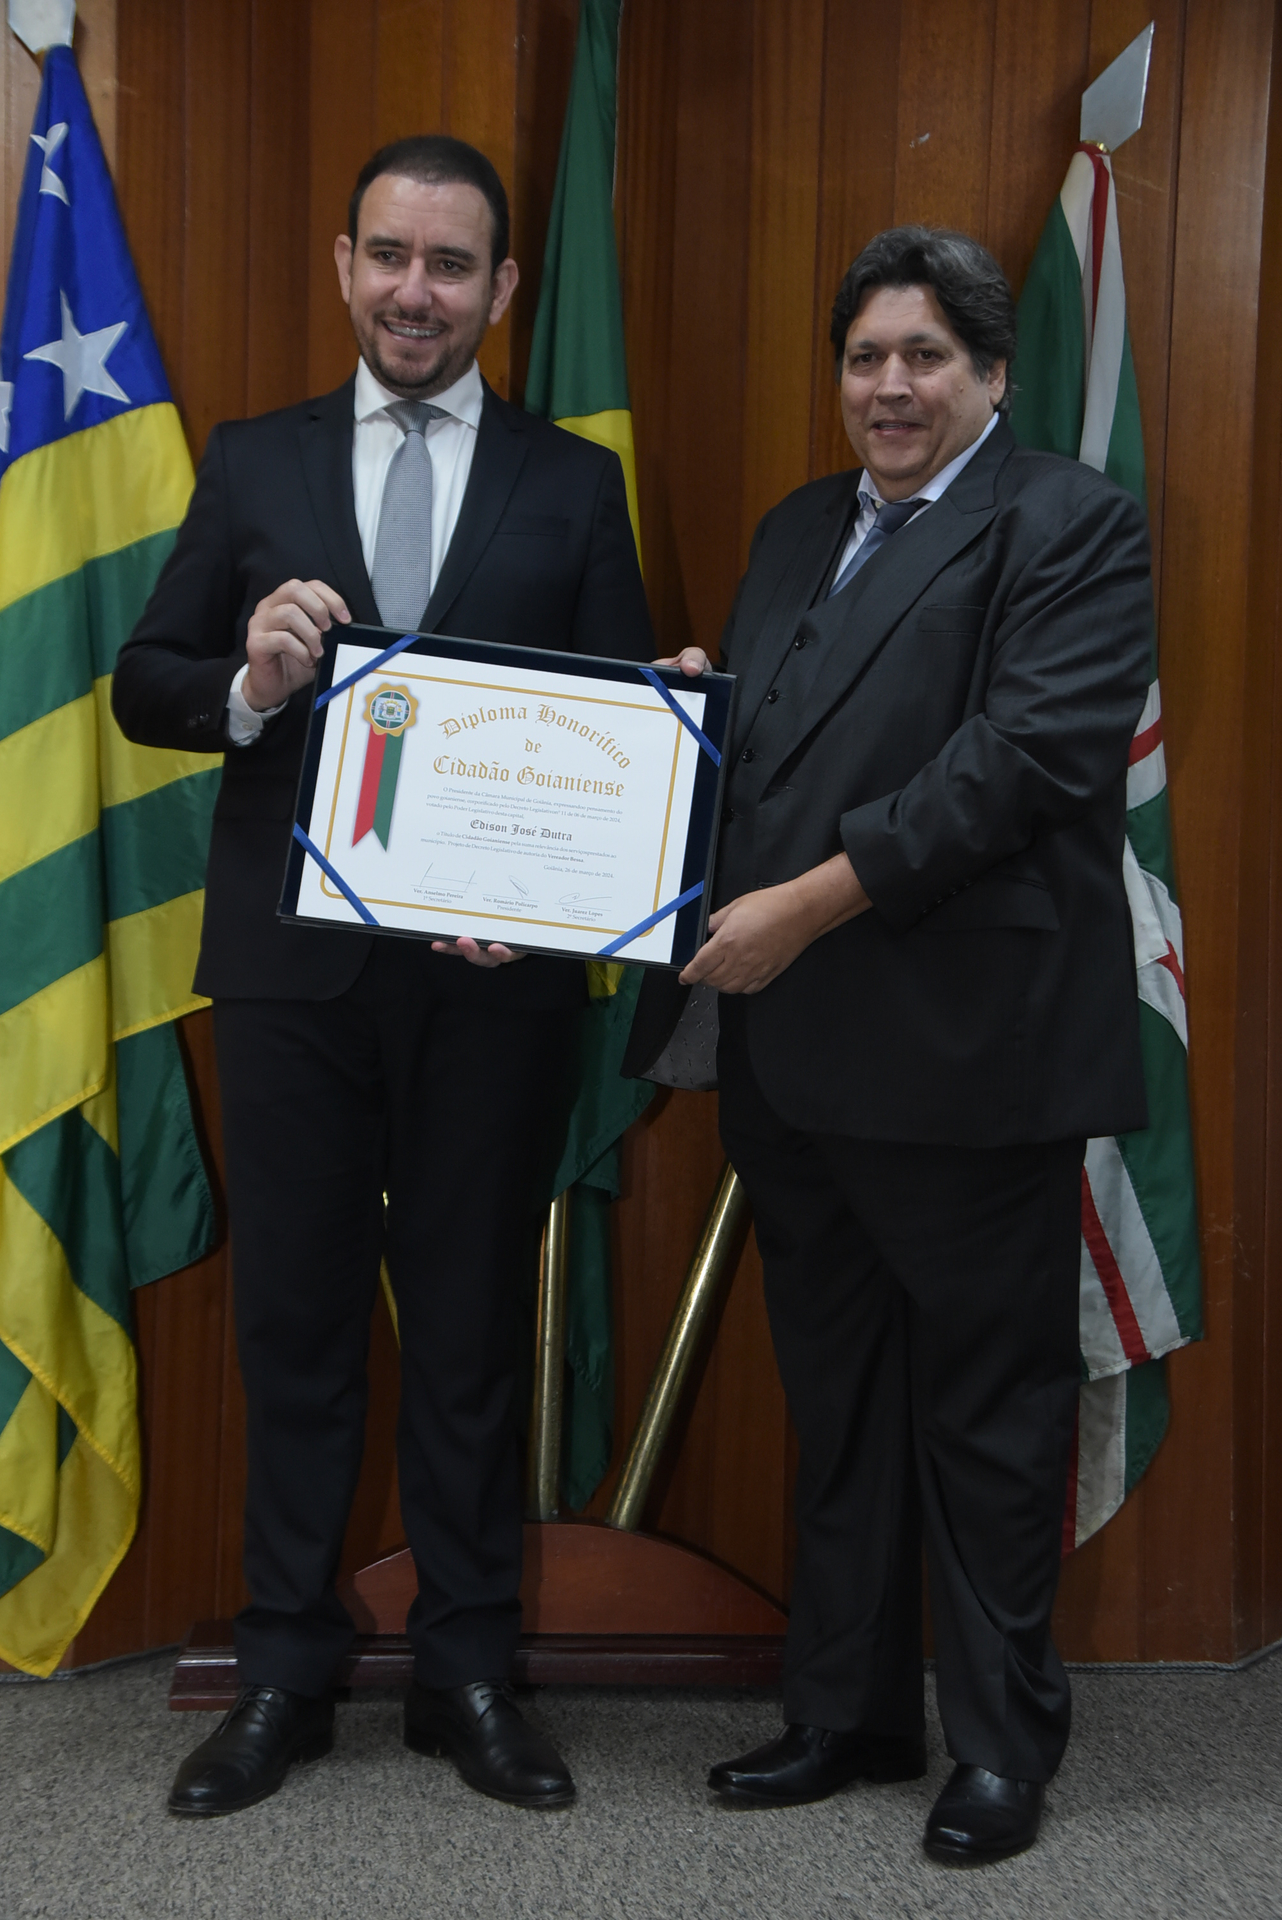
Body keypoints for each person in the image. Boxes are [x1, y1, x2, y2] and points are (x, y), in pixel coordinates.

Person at [113, 134, 652, 1818]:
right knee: (295, 1326)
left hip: (493, 988)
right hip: (292, 981)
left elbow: (621, 727)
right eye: (390, 256)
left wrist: (560, 899)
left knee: (474, 1328)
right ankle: (285, 1670)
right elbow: (144, 681)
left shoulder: (574, 483)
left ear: (501, 288)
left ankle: (468, 1669)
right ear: (345, 265)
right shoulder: (251, 458)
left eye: (451, 264)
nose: (416, 291)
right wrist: (252, 685)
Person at [626, 226, 1152, 1865]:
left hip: (967, 1056)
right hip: (791, 1055)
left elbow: (1017, 764)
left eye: (924, 356)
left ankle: (997, 1747)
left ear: (990, 371)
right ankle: (843, 1713)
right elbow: (772, 748)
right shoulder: (798, 529)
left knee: (987, 1414)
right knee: (838, 1400)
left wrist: (803, 906)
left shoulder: (1069, 522)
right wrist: (682, 719)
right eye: (864, 357)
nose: (890, 387)